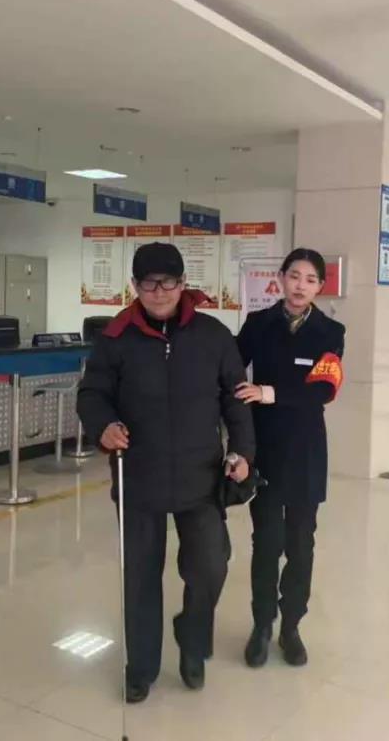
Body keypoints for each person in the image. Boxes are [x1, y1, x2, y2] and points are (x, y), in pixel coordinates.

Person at [77, 242, 255, 704]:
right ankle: (141, 668)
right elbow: (92, 394)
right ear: (134, 286)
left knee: (211, 566)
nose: (159, 292)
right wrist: (103, 426)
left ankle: (192, 642)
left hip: (201, 477)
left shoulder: (214, 335)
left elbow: (237, 400)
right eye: (148, 283)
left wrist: (242, 452)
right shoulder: (115, 337)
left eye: (168, 282)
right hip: (139, 476)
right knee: (140, 576)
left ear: (183, 284)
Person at [235, 248, 345, 668]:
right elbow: (230, 369)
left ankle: (292, 627)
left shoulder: (330, 332)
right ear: (280, 278)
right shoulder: (258, 324)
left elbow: (324, 390)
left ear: (320, 286)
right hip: (263, 447)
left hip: (306, 450)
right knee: (265, 542)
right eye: (294, 276)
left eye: (310, 279)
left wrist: (268, 393)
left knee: (301, 543)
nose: (300, 286)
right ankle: (262, 625)